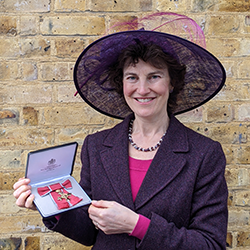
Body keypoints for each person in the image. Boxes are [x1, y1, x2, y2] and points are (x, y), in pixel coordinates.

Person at [13, 12, 228, 249]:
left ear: (172, 82)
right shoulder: (97, 146)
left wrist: (136, 225)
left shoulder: (204, 153)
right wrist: (48, 204)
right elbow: (88, 231)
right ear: (122, 83)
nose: (142, 89)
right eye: (132, 77)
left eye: (154, 77)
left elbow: (210, 244)